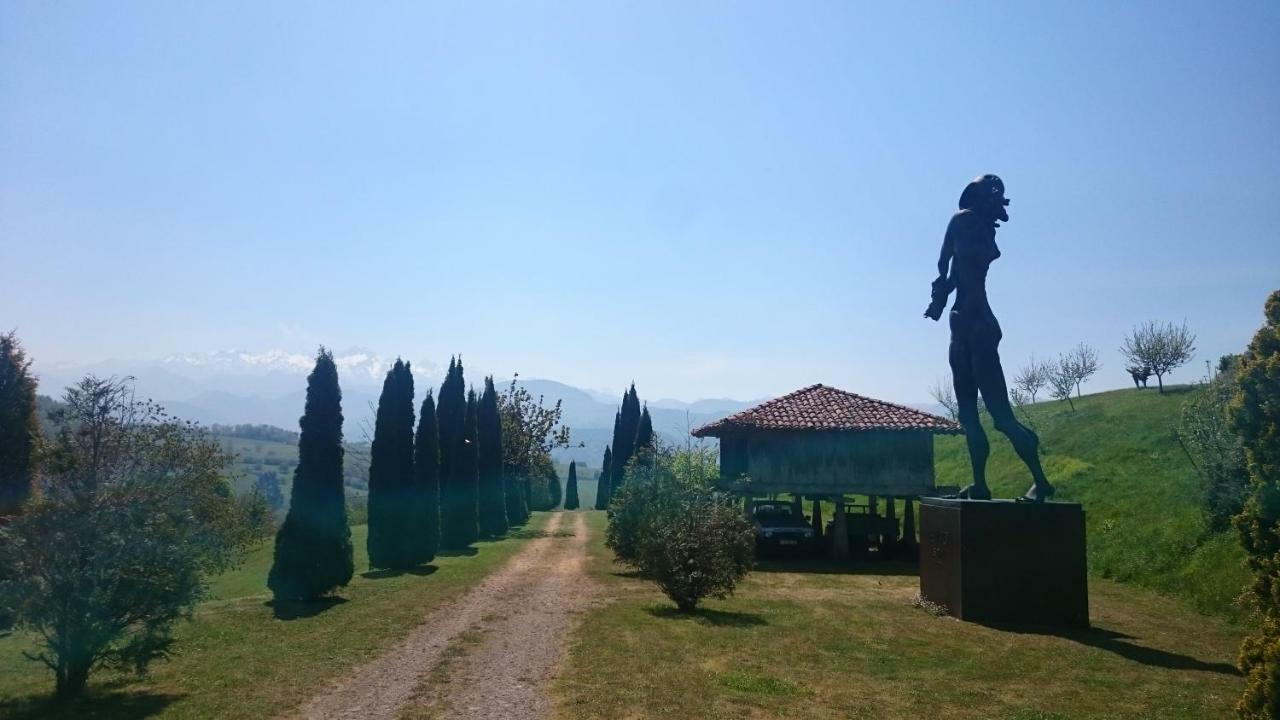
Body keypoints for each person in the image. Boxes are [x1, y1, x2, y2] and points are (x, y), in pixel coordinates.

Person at [924, 174, 1055, 502]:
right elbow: (950, 274)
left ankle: (1041, 479)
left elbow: (944, 264)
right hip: (962, 324)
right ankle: (980, 485)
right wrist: (940, 294)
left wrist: (941, 288)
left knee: (1000, 416)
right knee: (967, 415)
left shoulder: (965, 223)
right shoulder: (977, 229)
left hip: (978, 324)